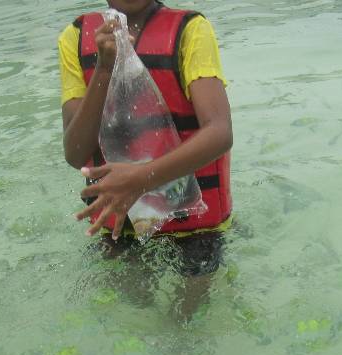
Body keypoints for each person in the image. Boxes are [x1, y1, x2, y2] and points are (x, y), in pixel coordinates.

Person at [58, 0, 233, 319]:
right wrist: (105, 68)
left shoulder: (191, 30)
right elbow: (75, 153)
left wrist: (142, 178)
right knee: (130, 321)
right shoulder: (75, 37)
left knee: (185, 326)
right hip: (119, 228)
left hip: (196, 229)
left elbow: (220, 131)